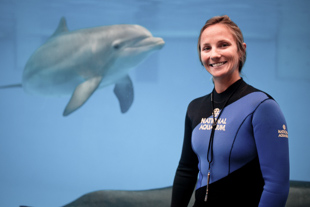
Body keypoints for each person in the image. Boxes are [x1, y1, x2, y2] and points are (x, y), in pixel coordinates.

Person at [170, 15, 290, 207]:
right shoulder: (195, 108)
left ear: (241, 50)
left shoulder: (262, 106)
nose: (214, 54)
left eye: (223, 45)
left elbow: (277, 185)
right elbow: (186, 170)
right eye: (206, 48)